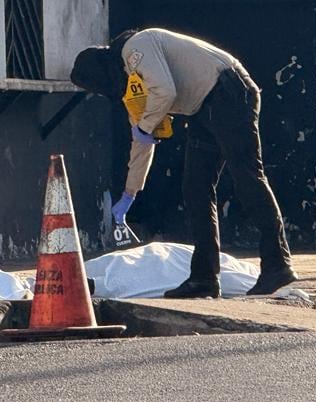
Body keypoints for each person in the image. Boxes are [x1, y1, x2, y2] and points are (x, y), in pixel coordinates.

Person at [70, 28, 297, 298]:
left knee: (248, 178)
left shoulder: (137, 46)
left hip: (229, 92)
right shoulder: (133, 81)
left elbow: (164, 91)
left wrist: (145, 125)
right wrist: (130, 193)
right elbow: (142, 137)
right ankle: (204, 278)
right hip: (202, 108)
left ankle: (278, 267)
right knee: (195, 189)